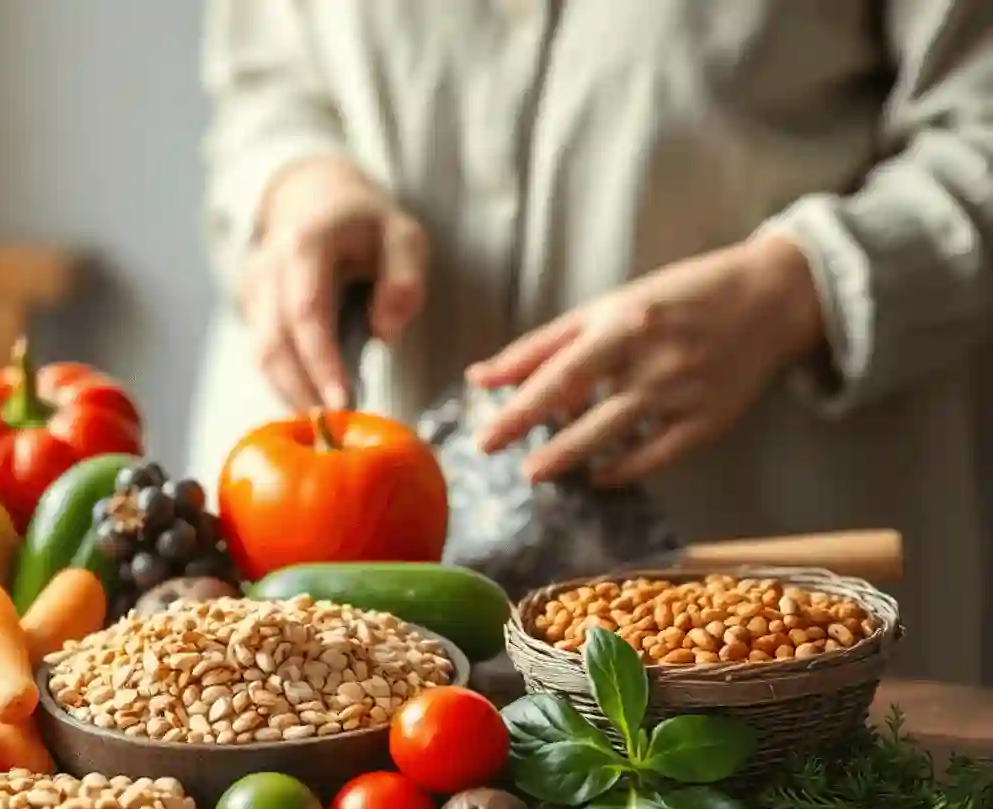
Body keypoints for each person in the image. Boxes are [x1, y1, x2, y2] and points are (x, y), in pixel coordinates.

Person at [191, 0, 993, 684]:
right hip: (300, 511)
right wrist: (299, 183)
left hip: (753, 514)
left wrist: (796, 289)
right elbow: (265, 75)